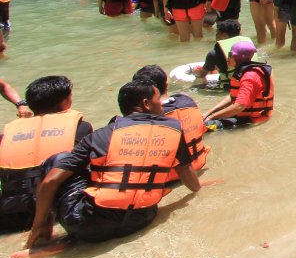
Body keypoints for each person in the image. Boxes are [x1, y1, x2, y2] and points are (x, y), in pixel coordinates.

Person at [25, 79, 202, 247]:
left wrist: (36, 226)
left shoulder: (98, 136)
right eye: (158, 99)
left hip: (88, 228)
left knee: (59, 160)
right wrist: (199, 191)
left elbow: (50, 182)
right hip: (144, 217)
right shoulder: (173, 128)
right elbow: (185, 170)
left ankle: (43, 235)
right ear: (146, 104)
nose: (161, 104)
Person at [0, 76, 92, 233]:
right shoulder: (81, 127)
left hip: (9, 215)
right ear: (64, 102)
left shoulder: (5, 136)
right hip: (55, 210)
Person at [133, 65, 209, 183]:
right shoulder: (188, 101)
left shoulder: (149, 118)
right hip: (199, 163)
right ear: (166, 85)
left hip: (171, 176)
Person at [203, 41, 275, 127]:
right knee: (205, 119)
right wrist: (210, 112)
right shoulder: (245, 72)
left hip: (252, 120)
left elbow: (239, 106)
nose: (227, 58)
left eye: (230, 54)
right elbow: (233, 96)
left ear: (236, 57)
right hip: (242, 114)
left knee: (205, 126)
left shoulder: (249, 77)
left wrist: (212, 118)